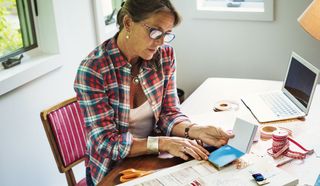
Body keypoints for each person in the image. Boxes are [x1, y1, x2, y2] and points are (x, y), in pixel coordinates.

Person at [74, 0, 234, 185]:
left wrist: (194, 130)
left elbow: (168, 113)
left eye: (167, 34)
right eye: (155, 32)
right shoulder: (93, 70)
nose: (160, 42)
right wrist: (163, 143)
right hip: (111, 170)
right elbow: (106, 144)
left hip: (153, 160)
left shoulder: (165, 55)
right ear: (128, 23)